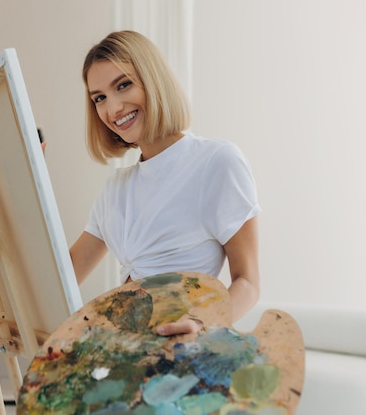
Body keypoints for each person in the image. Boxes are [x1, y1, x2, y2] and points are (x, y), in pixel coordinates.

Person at [68, 30, 261, 337]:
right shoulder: (115, 189)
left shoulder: (216, 162)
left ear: (152, 78)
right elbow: (62, 277)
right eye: (99, 98)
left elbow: (248, 283)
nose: (113, 108)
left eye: (124, 85)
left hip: (182, 352)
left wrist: (201, 325)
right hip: (127, 351)